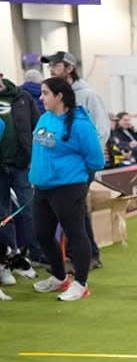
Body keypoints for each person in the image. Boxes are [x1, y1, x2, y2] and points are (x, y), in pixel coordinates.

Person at [28, 78, 104, 301]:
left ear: (59, 96)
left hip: (69, 188)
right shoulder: (44, 118)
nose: (41, 98)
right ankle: (60, 278)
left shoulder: (80, 124)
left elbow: (96, 160)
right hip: (42, 188)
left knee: (75, 234)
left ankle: (81, 283)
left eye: (45, 93)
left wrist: (77, 181)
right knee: (41, 233)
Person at [43, 51, 109, 270]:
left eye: (56, 64)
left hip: (81, 165)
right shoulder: (52, 98)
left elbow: (101, 129)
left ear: (69, 68)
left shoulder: (88, 95)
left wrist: (89, 161)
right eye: (50, 64)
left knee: (74, 209)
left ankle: (84, 256)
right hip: (60, 167)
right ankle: (86, 255)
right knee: (73, 210)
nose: (51, 68)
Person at [0, 70, 41, 287]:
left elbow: (38, 127)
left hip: (21, 164)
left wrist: (36, 157)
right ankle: (8, 261)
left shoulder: (22, 97)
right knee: (3, 215)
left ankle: (37, 253)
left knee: (28, 209)